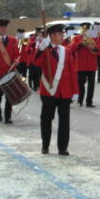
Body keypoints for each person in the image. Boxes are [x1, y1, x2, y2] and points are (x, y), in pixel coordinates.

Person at [34, 24, 79, 155]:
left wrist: (75, 91)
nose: (62, 36)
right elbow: (35, 63)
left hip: (65, 91)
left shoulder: (67, 51)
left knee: (64, 121)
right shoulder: (44, 49)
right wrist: (41, 50)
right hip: (49, 90)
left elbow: (72, 72)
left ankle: (62, 147)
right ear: (52, 35)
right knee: (46, 119)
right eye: (60, 34)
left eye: (62, 34)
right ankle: (45, 145)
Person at [70, 22, 99, 107]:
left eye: (87, 29)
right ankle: (80, 100)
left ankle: (89, 102)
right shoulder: (76, 38)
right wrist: (80, 43)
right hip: (80, 65)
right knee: (80, 84)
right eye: (84, 29)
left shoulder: (94, 38)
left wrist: (94, 47)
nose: (86, 31)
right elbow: (72, 49)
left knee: (91, 85)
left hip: (91, 65)